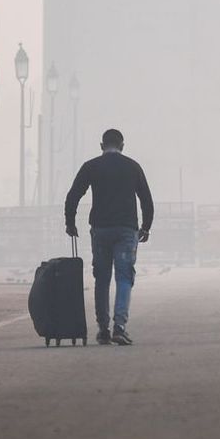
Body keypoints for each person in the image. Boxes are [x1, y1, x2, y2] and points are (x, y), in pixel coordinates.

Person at [65, 128, 155, 346]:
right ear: (122, 146)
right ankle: (120, 327)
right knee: (124, 277)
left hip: (100, 230)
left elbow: (73, 196)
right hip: (126, 230)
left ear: (101, 146)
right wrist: (146, 227)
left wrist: (70, 223)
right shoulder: (132, 167)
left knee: (102, 278)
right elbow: (146, 200)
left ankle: (103, 328)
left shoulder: (91, 166)